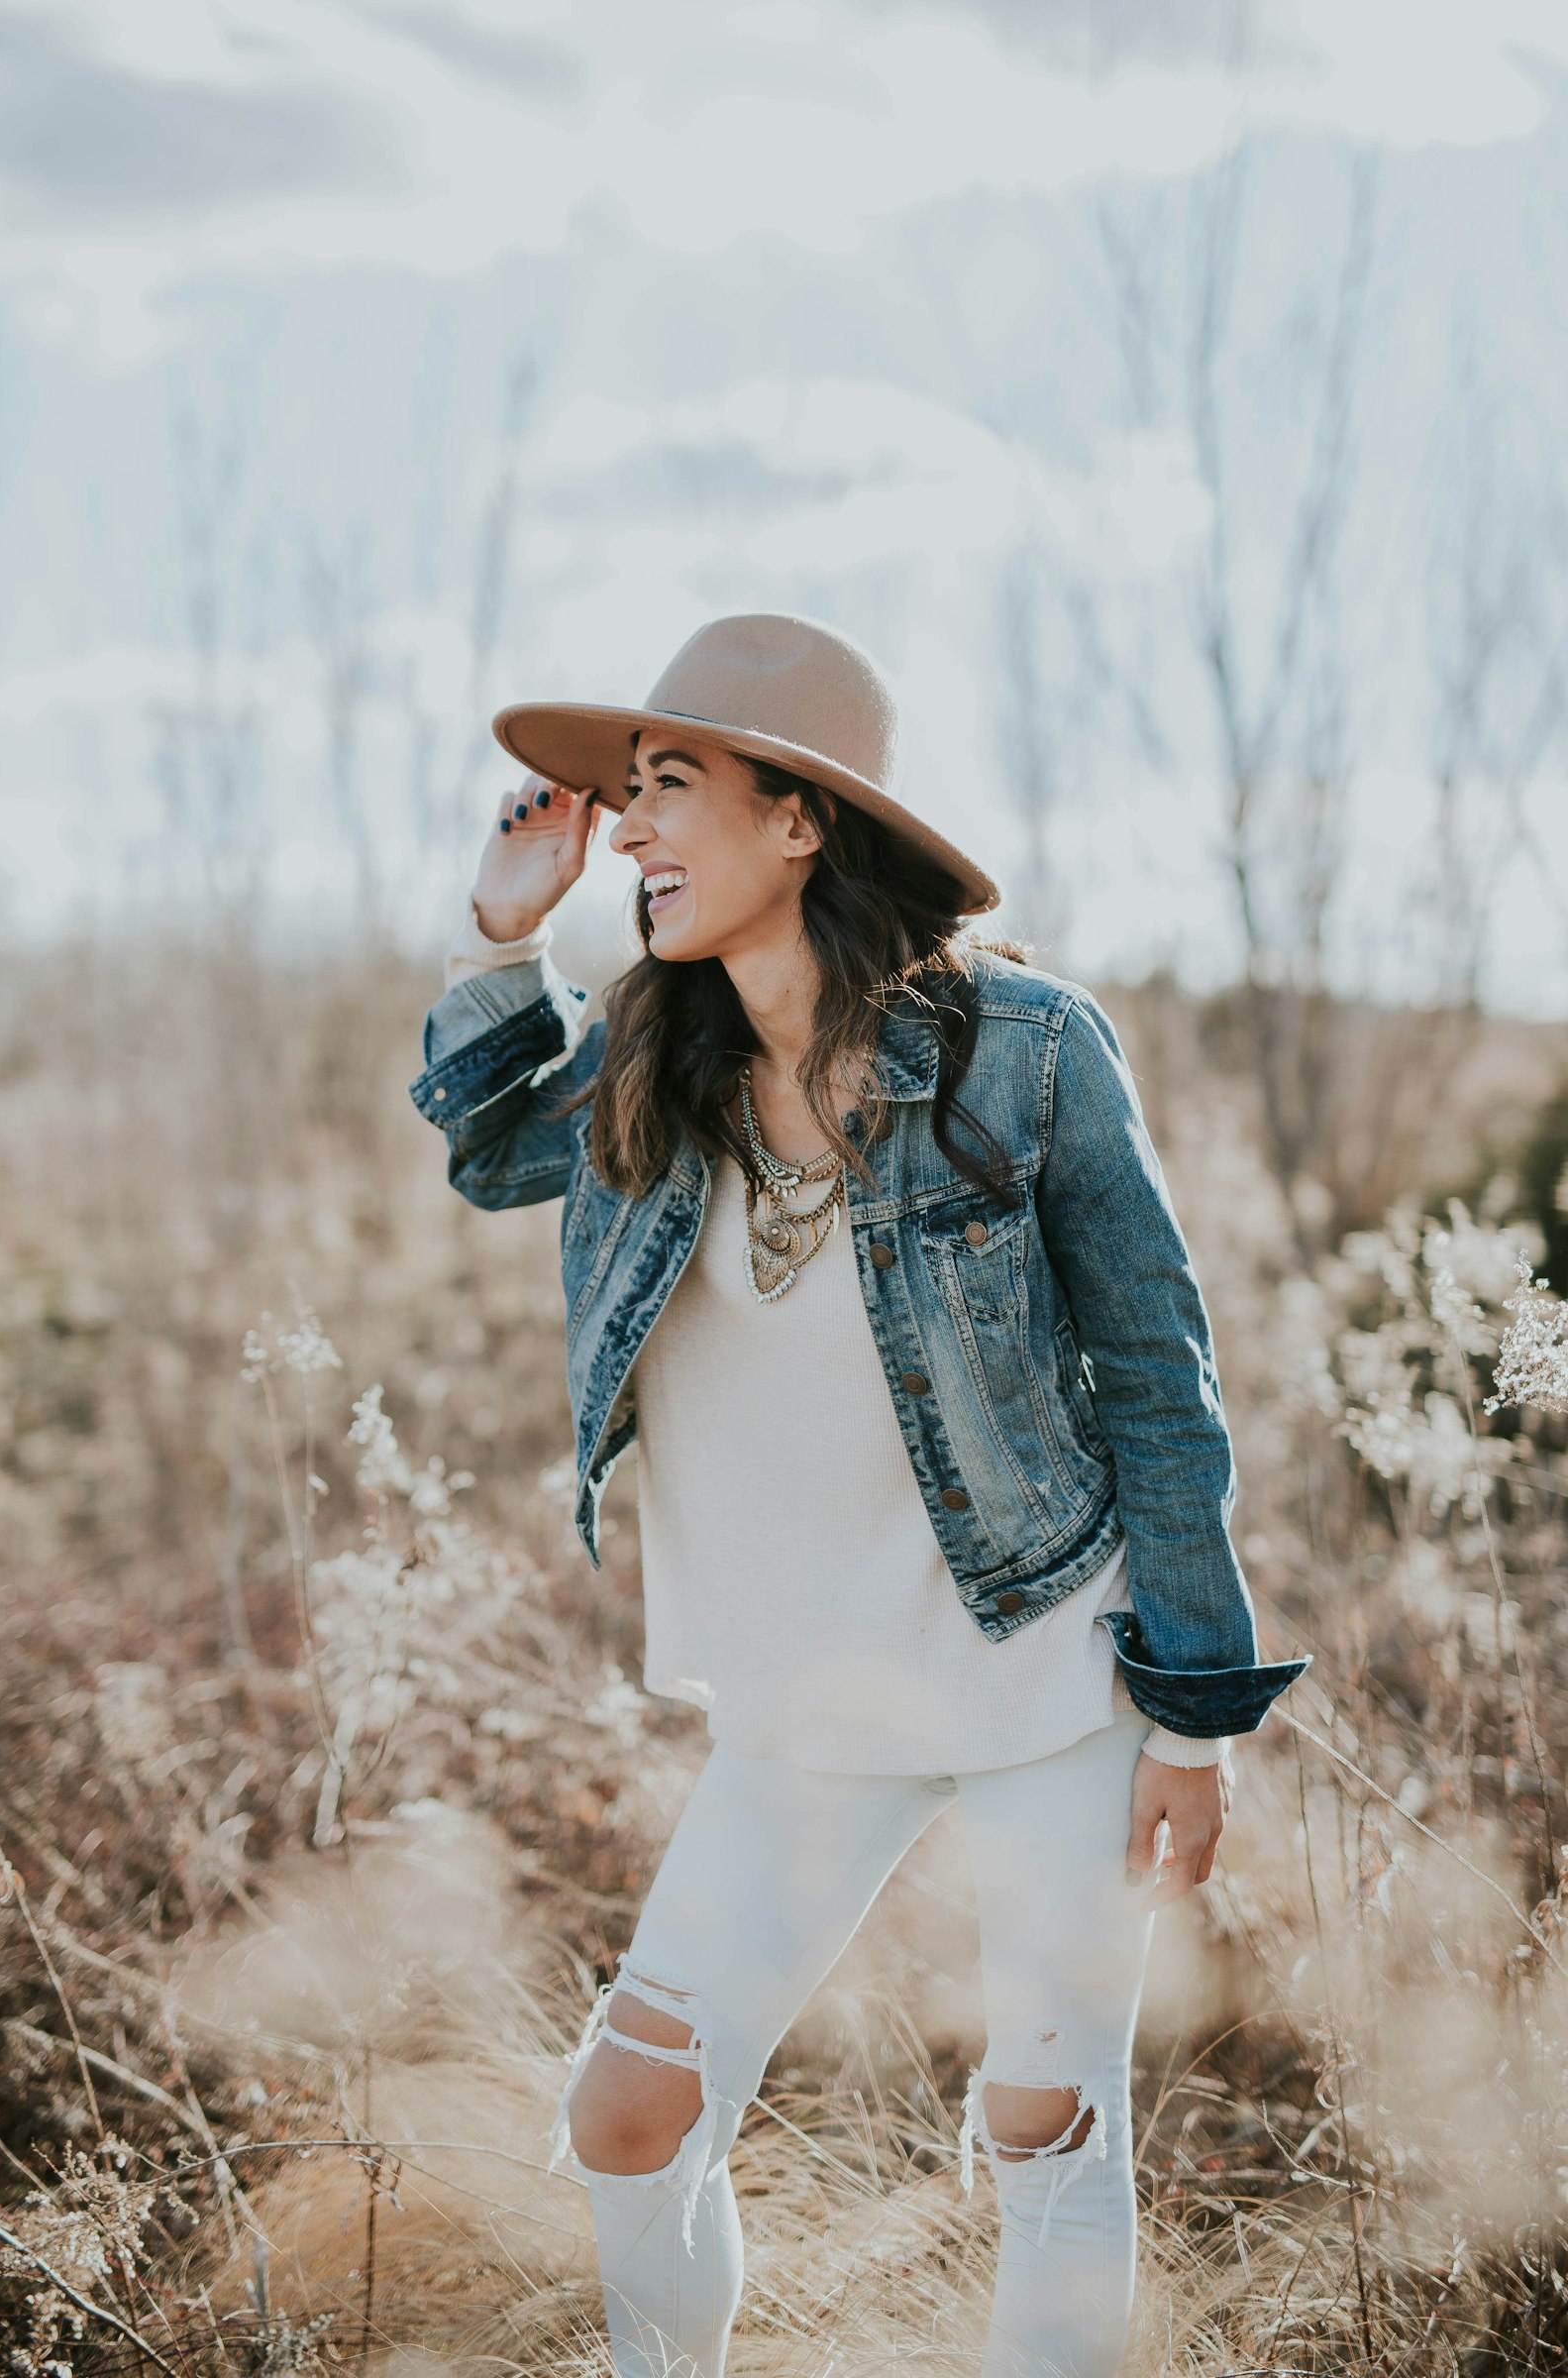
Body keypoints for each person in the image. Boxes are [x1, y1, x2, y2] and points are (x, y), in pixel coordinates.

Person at [408, 612, 1307, 2378]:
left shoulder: (1024, 1049)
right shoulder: (651, 1065)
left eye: (670, 790)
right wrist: (504, 933)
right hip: (806, 1704)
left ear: (802, 819)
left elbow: (1157, 1365)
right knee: (631, 2115)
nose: (634, 833)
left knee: (1048, 2122)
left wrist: (1193, 1715)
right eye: (629, 798)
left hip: (1052, 1665)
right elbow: (492, 1144)